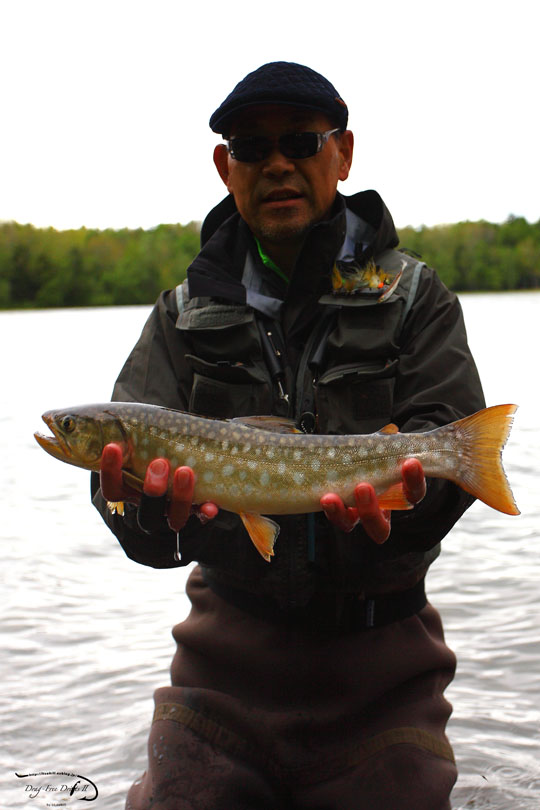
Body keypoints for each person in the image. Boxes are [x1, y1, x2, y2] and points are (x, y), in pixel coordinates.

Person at [91, 61, 485, 809]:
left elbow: (445, 446)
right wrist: (145, 512)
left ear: (342, 155)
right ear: (223, 166)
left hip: (385, 675)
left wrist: (403, 512)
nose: (276, 163)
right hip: (222, 674)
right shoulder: (178, 316)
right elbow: (132, 527)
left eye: (301, 142)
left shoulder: (414, 297)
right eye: (250, 146)